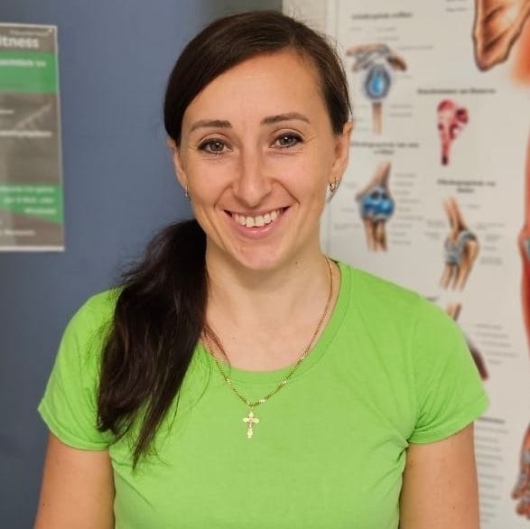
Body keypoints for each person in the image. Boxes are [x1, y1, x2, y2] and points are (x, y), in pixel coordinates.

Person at [34, 10, 488, 529]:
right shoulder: (104, 336)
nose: (251, 187)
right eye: (215, 145)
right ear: (180, 163)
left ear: (338, 151)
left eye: (286, 139)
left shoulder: (421, 345)